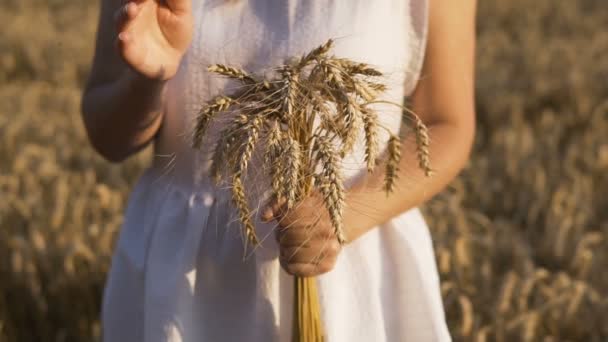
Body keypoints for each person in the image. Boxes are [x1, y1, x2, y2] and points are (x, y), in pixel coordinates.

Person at [81, 0, 476, 341]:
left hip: (350, 277)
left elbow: (447, 123)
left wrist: (345, 213)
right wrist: (147, 80)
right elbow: (108, 137)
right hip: (182, 280)